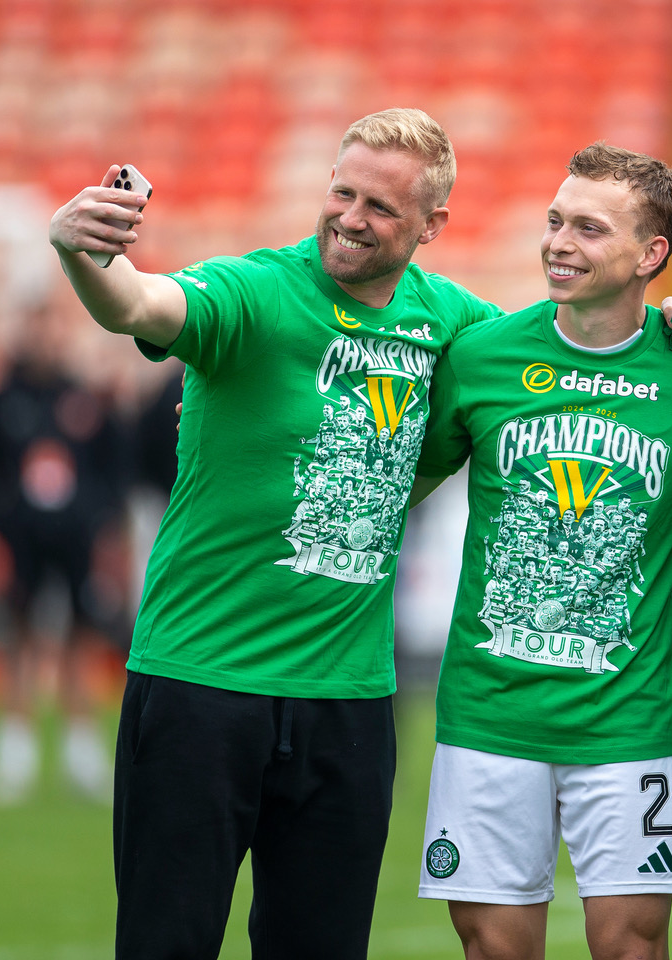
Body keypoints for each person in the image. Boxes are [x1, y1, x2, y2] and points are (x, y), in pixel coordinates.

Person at [49, 108, 505, 960]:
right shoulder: (257, 291)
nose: (350, 217)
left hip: (349, 700)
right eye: (343, 192)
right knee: (165, 944)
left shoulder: (456, 322)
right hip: (199, 685)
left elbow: (559, 365)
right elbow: (139, 303)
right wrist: (85, 250)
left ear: (432, 225)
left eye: (380, 207)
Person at [410, 143, 672, 960]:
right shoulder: (481, 355)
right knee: (492, 947)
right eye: (555, 221)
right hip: (489, 713)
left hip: (623, 720)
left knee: (633, 946)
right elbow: (402, 481)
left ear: (650, 254)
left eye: (589, 229)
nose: (559, 242)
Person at [0, 304, 126, 805]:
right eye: (39, 327)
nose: (47, 337)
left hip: (75, 541)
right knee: (18, 637)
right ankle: (14, 753)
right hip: (23, 541)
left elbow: (110, 468)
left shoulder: (81, 396)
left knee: (80, 639)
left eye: (54, 327)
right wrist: (5, 524)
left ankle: (81, 752)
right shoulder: (7, 399)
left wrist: (96, 522)